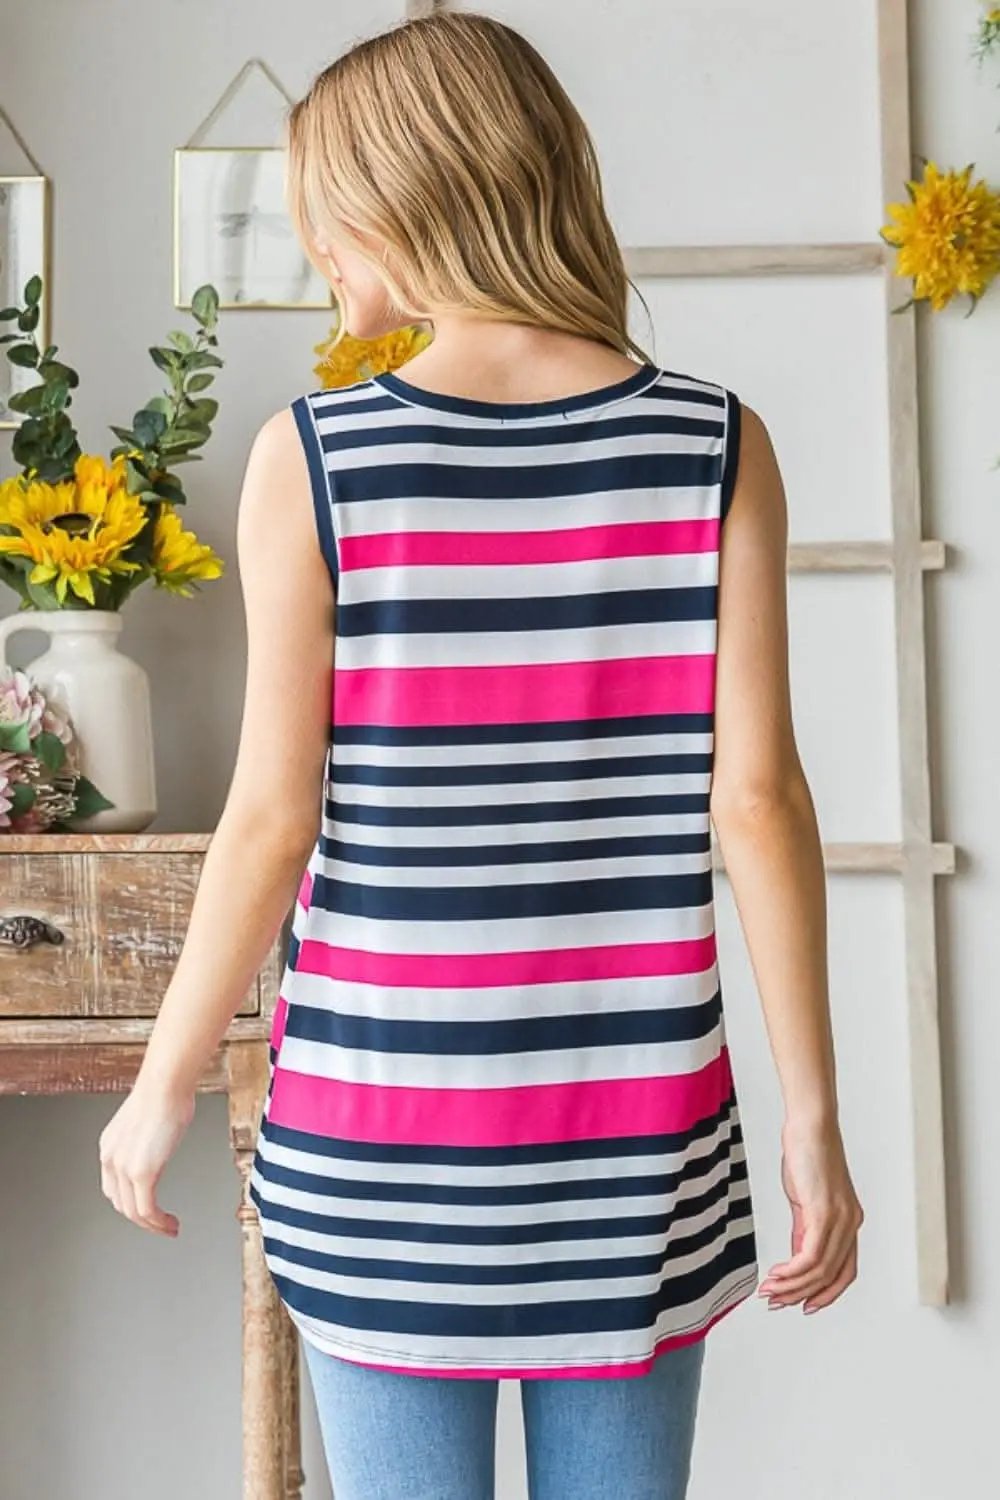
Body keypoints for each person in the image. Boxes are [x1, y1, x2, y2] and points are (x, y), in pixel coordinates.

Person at [98, 11, 864, 1498]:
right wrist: (815, 1122)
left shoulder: (317, 457)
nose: (319, 248)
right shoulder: (714, 446)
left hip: (378, 1138)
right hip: (632, 1145)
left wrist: (163, 1078)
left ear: (409, 200)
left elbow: (271, 819)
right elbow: (760, 803)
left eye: (327, 210)